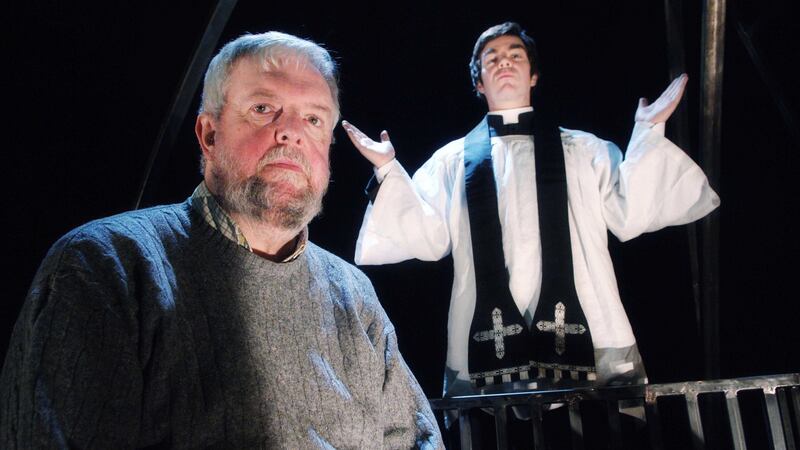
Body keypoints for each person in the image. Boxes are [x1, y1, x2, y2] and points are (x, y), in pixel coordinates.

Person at [1, 31, 443, 449]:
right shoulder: (106, 267)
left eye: (313, 119)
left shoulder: (353, 295)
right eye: (264, 109)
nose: (291, 132)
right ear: (209, 135)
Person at [344, 21, 719, 446]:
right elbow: (426, 234)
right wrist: (388, 171)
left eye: (515, 56)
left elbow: (629, 209)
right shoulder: (453, 162)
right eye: (493, 59)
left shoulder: (582, 149)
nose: (504, 63)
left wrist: (647, 133)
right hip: (488, 344)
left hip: (591, 330)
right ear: (479, 82)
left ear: (533, 75)